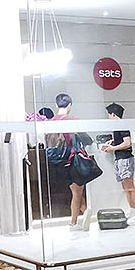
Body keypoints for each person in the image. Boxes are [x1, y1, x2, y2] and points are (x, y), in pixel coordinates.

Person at [48, 93, 91, 231]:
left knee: (75, 190)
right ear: (69, 106)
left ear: (56, 105)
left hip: (57, 162)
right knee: (78, 191)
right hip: (72, 160)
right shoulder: (72, 119)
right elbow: (85, 137)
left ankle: (84, 212)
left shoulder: (49, 122)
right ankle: (74, 222)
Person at [100, 103, 135, 225]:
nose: (108, 117)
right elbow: (123, 141)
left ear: (113, 114)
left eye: (109, 115)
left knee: (130, 187)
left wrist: (113, 148)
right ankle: (133, 211)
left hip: (125, 159)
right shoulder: (118, 127)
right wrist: (112, 142)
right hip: (121, 158)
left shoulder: (122, 126)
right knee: (126, 187)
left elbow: (127, 143)